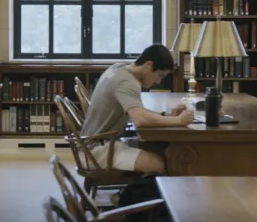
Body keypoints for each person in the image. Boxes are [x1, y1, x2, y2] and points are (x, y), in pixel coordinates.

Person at [80, 44, 194, 174]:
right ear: (148, 65)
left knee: (163, 149)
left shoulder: (119, 68)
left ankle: (138, 192)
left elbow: (138, 111)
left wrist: (167, 115)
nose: (158, 81)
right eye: (160, 75)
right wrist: (179, 121)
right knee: (157, 163)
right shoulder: (128, 82)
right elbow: (140, 119)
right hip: (96, 150)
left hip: (97, 142)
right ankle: (126, 195)